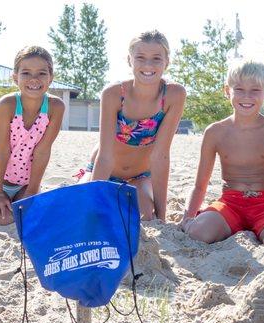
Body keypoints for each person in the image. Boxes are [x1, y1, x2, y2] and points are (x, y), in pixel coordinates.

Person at [181, 59, 264, 244]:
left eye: (255, 90)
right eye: (239, 89)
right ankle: (215, 222)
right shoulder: (215, 132)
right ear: (227, 91)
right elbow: (200, 185)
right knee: (198, 233)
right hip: (230, 203)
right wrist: (188, 216)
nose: (247, 96)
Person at [78, 30, 185, 221]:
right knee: (87, 207)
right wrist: (94, 202)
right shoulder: (114, 94)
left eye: (156, 58)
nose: (148, 65)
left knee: (144, 217)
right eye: (140, 58)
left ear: (167, 62)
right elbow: (105, 155)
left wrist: (162, 217)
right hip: (105, 169)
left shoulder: (173, 95)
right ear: (130, 60)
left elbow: (160, 156)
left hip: (140, 176)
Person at [0, 46, 64, 225]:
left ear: (51, 78)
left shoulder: (56, 107)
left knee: (27, 217)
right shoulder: (6, 105)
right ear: (15, 77)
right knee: (4, 219)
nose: (34, 79)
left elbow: (42, 151)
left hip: (25, 184)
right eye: (26, 73)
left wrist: (32, 191)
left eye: (41, 73)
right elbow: (2, 150)